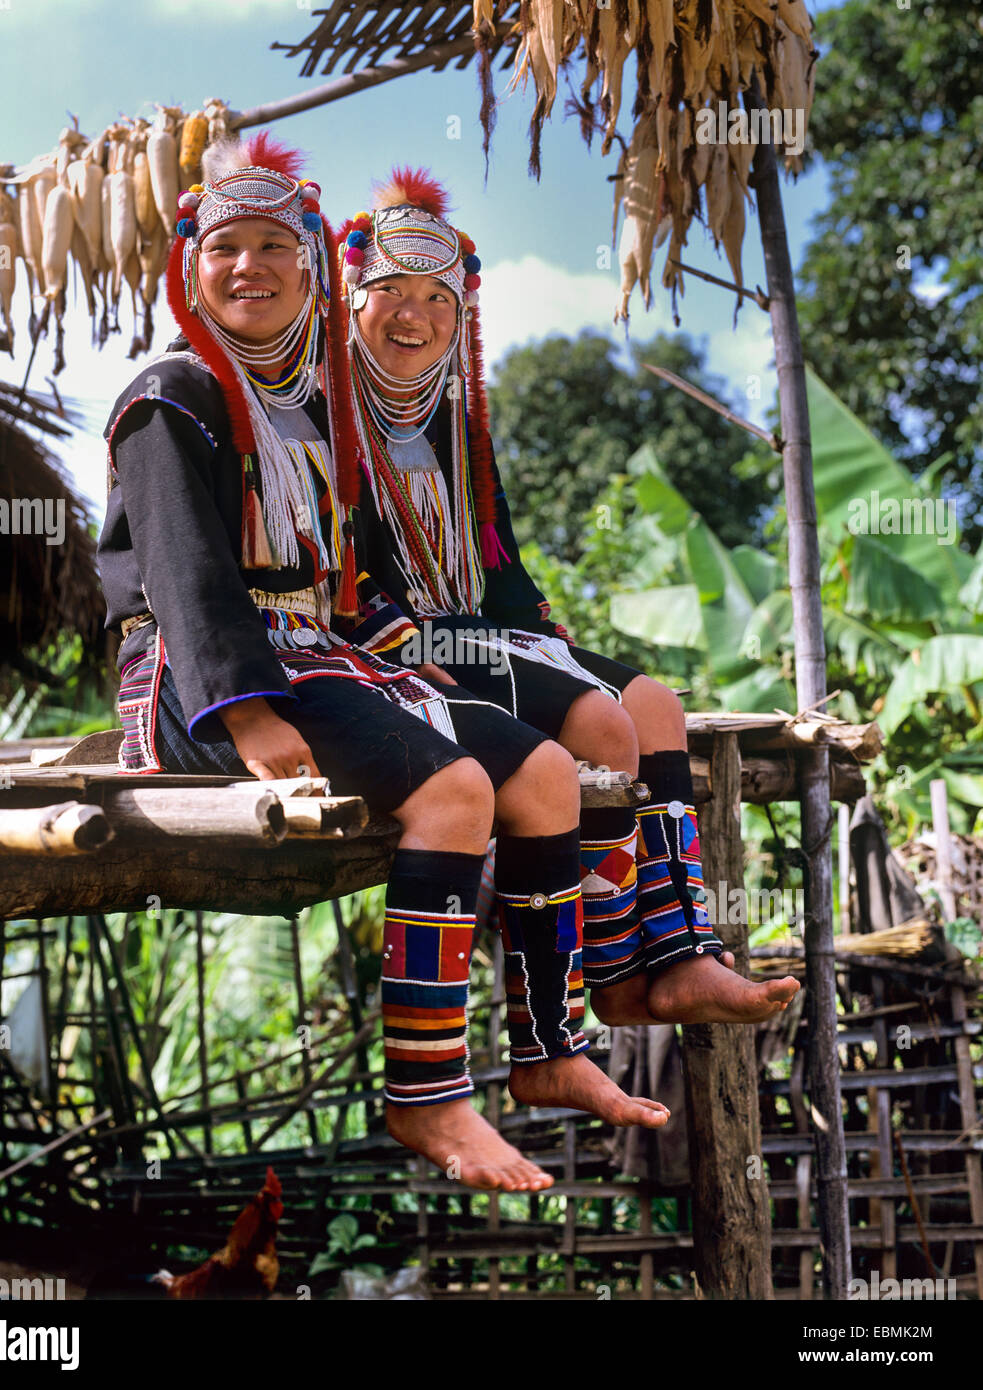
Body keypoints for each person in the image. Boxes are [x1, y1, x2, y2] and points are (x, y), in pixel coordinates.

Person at [96, 134, 669, 1195]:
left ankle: (546, 1046)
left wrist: (416, 662)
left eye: (276, 245)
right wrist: (248, 720)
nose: (250, 268)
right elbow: (182, 577)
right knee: (455, 791)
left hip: (323, 658)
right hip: (200, 679)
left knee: (544, 774)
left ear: (311, 268)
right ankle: (427, 1096)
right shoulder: (170, 394)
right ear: (192, 266)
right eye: (228, 247)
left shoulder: (319, 412)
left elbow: (357, 571)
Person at [335, 169, 800, 1028]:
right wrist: (426, 647)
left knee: (650, 702)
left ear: (461, 315)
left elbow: (498, 562)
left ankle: (685, 950)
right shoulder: (321, 414)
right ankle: (617, 982)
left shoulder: (455, 422)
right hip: (385, 642)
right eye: (389, 291)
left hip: (472, 627)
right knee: (598, 725)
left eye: (438, 298)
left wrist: (550, 638)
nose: (414, 314)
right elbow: (332, 571)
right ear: (349, 296)